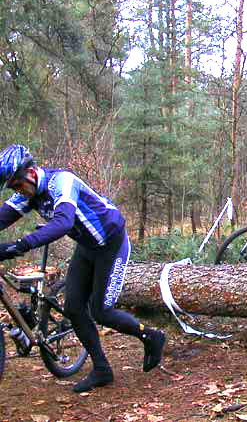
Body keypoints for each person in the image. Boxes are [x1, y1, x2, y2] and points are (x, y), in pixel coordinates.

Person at [0, 144, 166, 393]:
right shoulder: (28, 194)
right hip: (87, 247)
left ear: (31, 173)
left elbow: (63, 222)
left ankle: (151, 336)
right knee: (74, 308)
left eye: (17, 185)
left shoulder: (62, 182)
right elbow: (3, 216)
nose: (18, 191)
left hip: (112, 244)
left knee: (101, 311)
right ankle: (102, 370)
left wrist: (20, 245)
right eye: (13, 188)